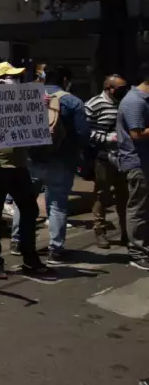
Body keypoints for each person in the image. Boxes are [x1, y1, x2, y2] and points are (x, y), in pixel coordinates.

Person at [0, 62, 55, 280]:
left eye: (17, 77)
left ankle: (30, 258)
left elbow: (35, 130)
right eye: (11, 77)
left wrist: (41, 108)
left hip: (19, 166)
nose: (16, 80)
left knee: (29, 211)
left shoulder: (23, 99)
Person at [11, 66, 88, 264]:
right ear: (65, 80)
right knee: (57, 205)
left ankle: (17, 242)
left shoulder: (27, 96)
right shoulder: (73, 102)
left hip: (30, 159)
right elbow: (82, 135)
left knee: (24, 201)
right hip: (62, 161)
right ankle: (55, 249)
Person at [87, 75, 130, 249]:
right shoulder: (93, 105)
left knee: (125, 195)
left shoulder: (125, 103)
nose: (123, 92)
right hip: (104, 156)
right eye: (119, 89)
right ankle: (100, 231)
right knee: (101, 195)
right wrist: (107, 138)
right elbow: (85, 131)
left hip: (125, 155)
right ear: (108, 88)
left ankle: (127, 232)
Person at [116, 65, 149, 271]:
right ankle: (137, 252)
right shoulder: (135, 101)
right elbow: (137, 134)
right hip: (137, 163)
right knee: (138, 208)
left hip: (145, 162)